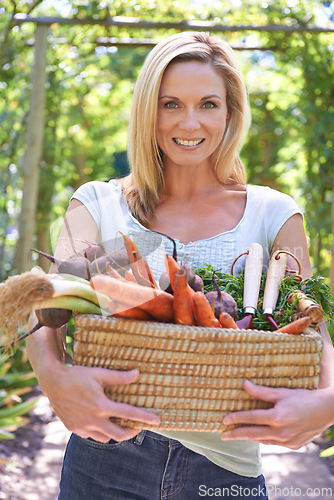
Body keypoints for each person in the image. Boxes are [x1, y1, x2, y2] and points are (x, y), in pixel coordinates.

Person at [26, 31, 334, 499]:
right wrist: (53, 378)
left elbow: (313, 324)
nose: (189, 122)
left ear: (230, 112)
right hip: (105, 456)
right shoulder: (97, 203)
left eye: (207, 104)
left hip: (226, 466)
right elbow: (47, 305)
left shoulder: (274, 213)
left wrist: (328, 404)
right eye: (171, 104)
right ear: (148, 110)